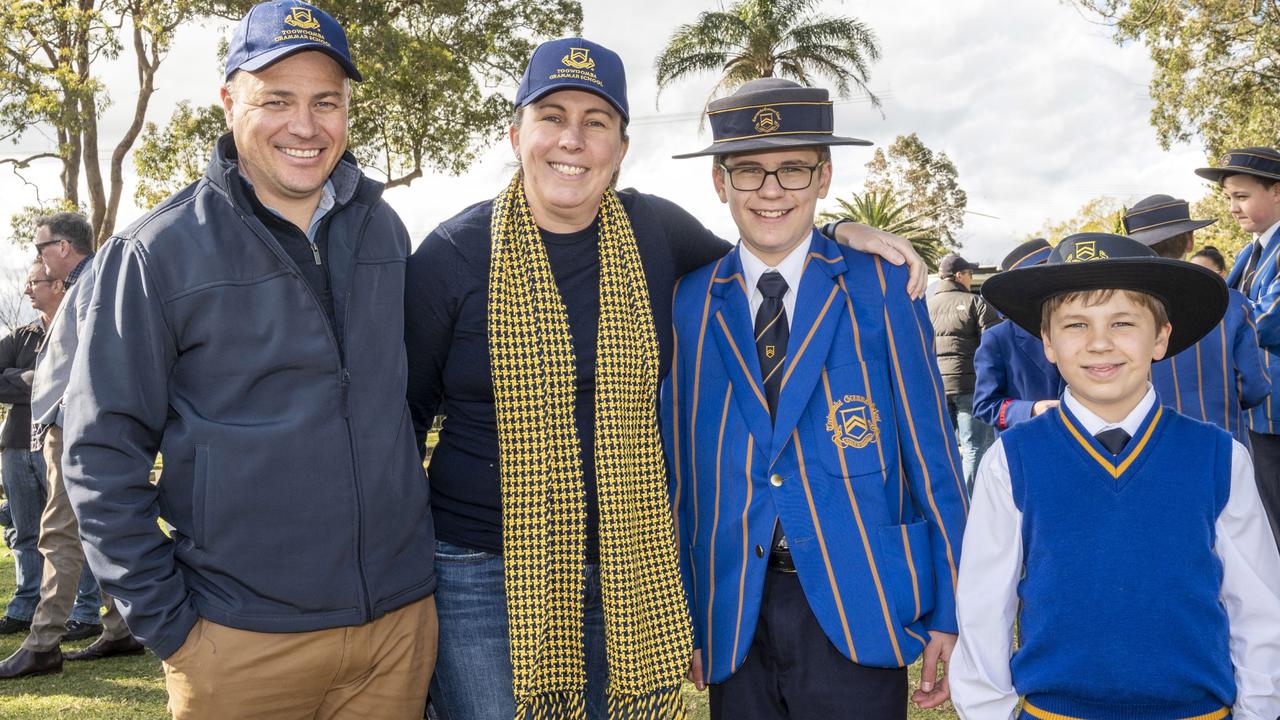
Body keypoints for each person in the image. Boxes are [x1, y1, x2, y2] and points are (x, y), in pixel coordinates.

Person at [405, 38, 927, 720]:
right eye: (551, 116)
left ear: (620, 148)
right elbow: (404, 417)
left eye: (596, 122)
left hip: (627, 570)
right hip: (483, 569)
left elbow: (764, 264)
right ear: (516, 135)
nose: (573, 139)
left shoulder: (654, 232)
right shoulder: (452, 255)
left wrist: (843, 231)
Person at [61, 2, 437, 717]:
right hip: (238, 640)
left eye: (326, 101)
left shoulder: (384, 229)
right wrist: (171, 626)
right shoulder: (155, 253)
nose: (306, 125)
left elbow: (403, 402)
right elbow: (100, 450)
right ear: (230, 100)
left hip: (395, 630)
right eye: (278, 100)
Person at [664, 77, 968, 720]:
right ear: (720, 183)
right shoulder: (687, 298)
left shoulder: (883, 285)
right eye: (748, 172)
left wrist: (950, 603)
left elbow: (931, 451)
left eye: (793, 169)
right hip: (732, 604)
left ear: (823, 177)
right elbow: (677, 470)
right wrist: (681, 608)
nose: (771, 190)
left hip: (860, 596)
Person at [952, 233, 1280, 719]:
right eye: (1075, 324)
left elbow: (1258, 608)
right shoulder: (1013, 459)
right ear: (1047, 342)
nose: (1099, 343)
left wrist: (1258, 710)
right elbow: (983, 609)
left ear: (1161, 337)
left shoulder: (1219, 457)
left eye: (1123, 322)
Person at [0, 214, 138, 680]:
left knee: (58, 534)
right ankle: (120, 630)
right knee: (91, 530)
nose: (37, 257)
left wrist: (72, 416)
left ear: (63, 247)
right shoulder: (88, 282)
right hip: (71, 425)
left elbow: (94, 360)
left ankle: (42, 645)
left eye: (41, 248)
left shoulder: (93, 281)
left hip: (75, 427)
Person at [0, 260, 105, 640]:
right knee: (24, 533)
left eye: (34, 282)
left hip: (60, 442)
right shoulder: (21, 337)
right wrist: (33, 380)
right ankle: (25, 606)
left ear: (57, 285)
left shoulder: (80, 324)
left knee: (71, 532)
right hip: (15, 445)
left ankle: (86, 612)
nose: (27, 290)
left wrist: (22, 381)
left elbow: (77, 378)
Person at [1124, 194, 1269, 444]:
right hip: (1225, 447)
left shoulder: (1123, 312)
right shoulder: (1231, 303)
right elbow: (1254, 388)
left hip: (1146, 450)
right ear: (1190, 242)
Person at [1197, 147, 1280, 549]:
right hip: (1258, 415)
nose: (1232, 207)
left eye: (1242, 196)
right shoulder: (1250, 253)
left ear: (1277, 191)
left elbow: (1265, 323)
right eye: (1228, 197)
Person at [972, 239, 1062, 433]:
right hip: (1029, 444)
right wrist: (1032, 409)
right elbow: (984, 406)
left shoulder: (1080, 326)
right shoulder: (998, 338)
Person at [929, 253, 999, 488]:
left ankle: (949, 502)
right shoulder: (976, 303)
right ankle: (972, 504)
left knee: (944, 449)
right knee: (975, 447)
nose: (971, 278)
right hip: (970, 387)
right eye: (970, 274)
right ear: (959, 275)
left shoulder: (925, 305)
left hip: (937, 388)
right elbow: (994, 346)